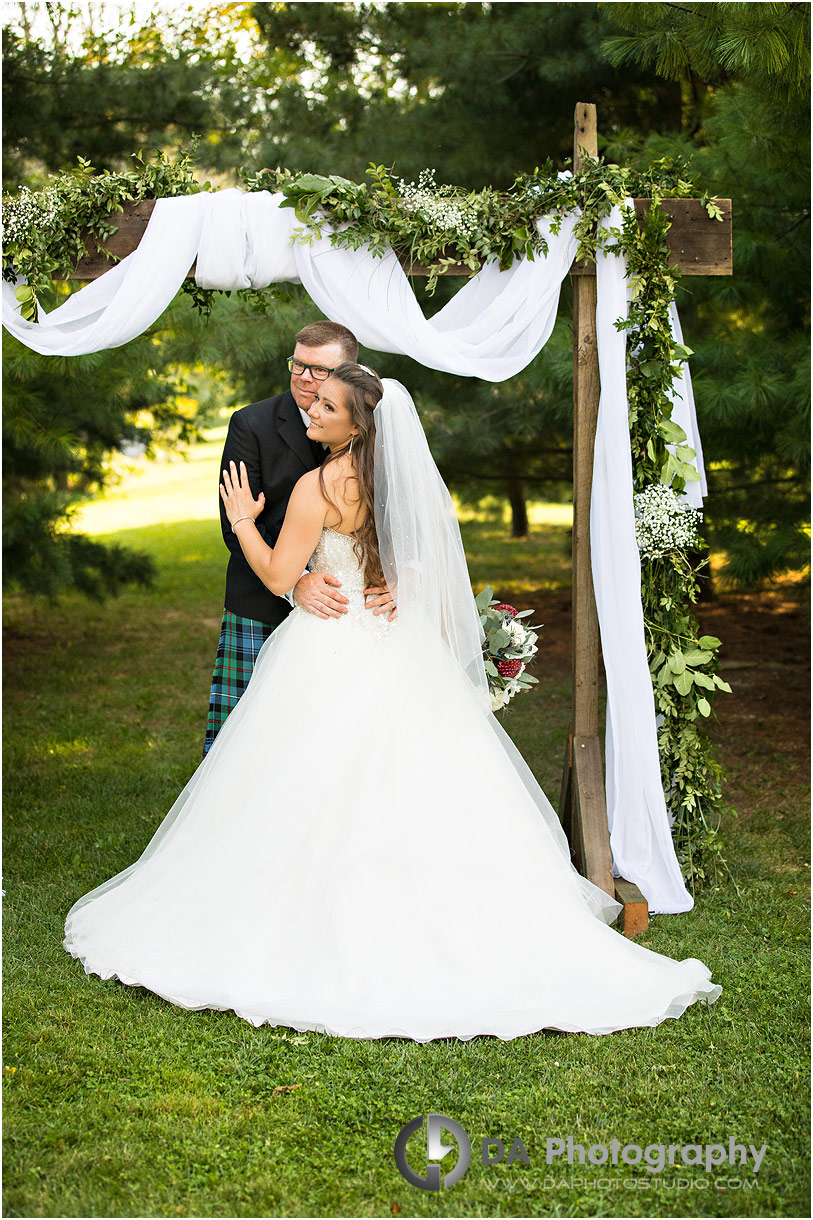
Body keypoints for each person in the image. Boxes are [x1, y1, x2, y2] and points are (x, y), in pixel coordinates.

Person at [63, 364, 721, 1042]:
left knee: (302, 785)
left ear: (357, 426)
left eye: (324, 407)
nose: (310, 412)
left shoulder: (318, 487)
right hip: (395, 648)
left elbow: (278, 575)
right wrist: (401, 589)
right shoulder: (398, 483)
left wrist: (242, 521)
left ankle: (311, 916)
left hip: (326, 648)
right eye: (312, 402)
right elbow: (426, 562)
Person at [203, 320, 394, 756]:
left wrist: (404, 577)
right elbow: (233, 524)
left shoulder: (381, 439)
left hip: (350, 614)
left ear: (350, 375)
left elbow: (403, 523)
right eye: (298, 364)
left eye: (319, 371)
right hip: (263, 603)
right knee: (249, 746)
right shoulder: (250, 424)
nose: (305, 378)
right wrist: (297, 580)